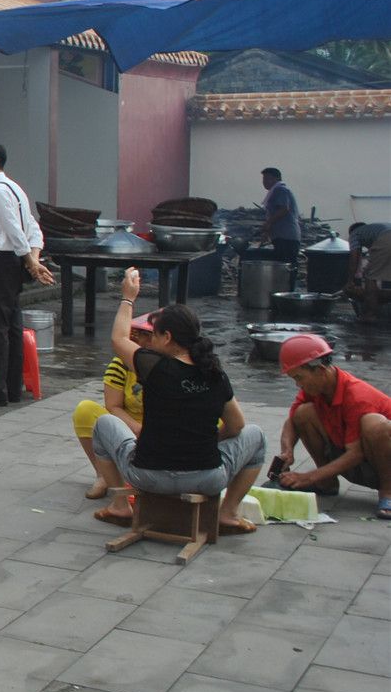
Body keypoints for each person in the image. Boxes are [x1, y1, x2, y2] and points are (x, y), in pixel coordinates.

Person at [90, 272, 266, 535]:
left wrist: (128, 298)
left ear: (167, 337)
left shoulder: (153, 366)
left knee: (104, 423)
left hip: (147, 475)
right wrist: (211, 442)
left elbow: (118, 339)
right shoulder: (215, 373)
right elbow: (237, 425)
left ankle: (120, 506)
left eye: (154, 335)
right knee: (256, 436)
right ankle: (228, 513)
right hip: (207, 478)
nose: (151, 341)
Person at [0, 143, 55, 407]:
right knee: (12, 325)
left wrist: (31, 260)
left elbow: (15, 230)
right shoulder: (15, 188)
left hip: (3, 261)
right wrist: (32, 260)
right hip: (14, 261)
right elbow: (32, 229)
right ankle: (12, 387)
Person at [272, 333, 391, 519]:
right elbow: (292, 420)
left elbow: (355, 454)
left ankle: (388, 492)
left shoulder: (357, 396)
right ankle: (326, 483)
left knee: (374, 424)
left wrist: (309, 477)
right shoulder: (317, 387)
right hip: (361, 460)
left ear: (320, 371)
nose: (298, 384)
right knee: (303, 413)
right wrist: (287, 451)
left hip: (379, 462)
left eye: (299, 378)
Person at [72, 313, 155, 499]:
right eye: (143, 335)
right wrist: (138, 429)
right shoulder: (122, 364)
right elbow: (113, 406)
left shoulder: (172, 367)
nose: (146, 341)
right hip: (128, 424)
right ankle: (102, 474)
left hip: (163, 430)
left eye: (151, 335)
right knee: (85, 410)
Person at [258, 167, 301, 286]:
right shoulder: (274, 192)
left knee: (286, 267)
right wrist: (266, 232)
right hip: (281, 236)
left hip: (287, 236)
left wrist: (268, 223)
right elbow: (273, 213)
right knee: (282, 266)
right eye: (263, 179)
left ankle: (287, 291)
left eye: (267, 178)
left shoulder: (281, 190)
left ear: (276, 179)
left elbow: (284, 209)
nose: (264, 182)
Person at [345, 221, 391, 320]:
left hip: (387, 239)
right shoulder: (373, 230)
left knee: (371, 278)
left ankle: (369, 315)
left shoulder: (355, 233)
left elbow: (354, 258)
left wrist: (350, 281)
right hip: (387, 240)